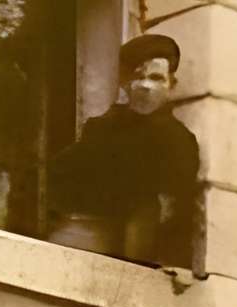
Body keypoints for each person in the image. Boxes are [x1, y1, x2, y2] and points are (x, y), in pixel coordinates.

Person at [45, 30, 200, 270]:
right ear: (125, 83)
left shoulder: (178, 141)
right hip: (86, 245)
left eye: (157, 78)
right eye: (139, 76)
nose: (146, 86)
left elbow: (172, 213)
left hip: (137, 262)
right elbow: (62, 183)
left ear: (172, 85)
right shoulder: (100, 130)